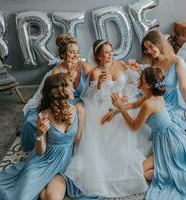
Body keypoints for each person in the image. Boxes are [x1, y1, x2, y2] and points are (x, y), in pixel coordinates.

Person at [107, 67, 186, 200]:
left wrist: (120, 108)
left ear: (147, 85)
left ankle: (173, 173)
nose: (137, 79)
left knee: (141, 173)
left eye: (140, 78)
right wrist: (117, 109)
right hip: (175, 136)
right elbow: (134, 105)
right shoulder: (152, 96)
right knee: (143, 171)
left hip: (171, 145)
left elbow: (134, 127)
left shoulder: (149, 104)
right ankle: (171, 169)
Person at [0, 73, 81, 200]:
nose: (74, 89)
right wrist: (40, 134)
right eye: (70, 86)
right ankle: (39, 187)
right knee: (20, 196)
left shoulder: (79, 110)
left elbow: (77, 139)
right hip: (42, 162)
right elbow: (41, 151)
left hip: (62, 167)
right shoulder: (44, 116)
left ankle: (41, 190)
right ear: (61, 92)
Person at [64, 39, 150, 198]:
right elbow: (93, 99)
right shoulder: (95, 72)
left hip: (122, 103)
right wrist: (98, 86)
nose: (110, 55)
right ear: (98, 56)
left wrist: (124, 97)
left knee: (132, 125)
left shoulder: (121, 65)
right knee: (108, 129)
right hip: (103, 106)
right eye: (106, 52)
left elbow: (131, 85)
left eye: (111, 51)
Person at [21, 34, 92, 152]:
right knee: (31, 122)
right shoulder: (56, 72)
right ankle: (49, 146)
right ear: (63, 54)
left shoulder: (84, 66)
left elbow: (96, 82)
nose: (76, 55)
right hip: (63, 102)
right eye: (72, 52)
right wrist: (67, 81)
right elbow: (55, 97)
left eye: (78, 52)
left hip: (81, 101)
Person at [130, 29, 186, 130]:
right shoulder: (154, 62)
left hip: (168, 103)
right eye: (147, 49)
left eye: (151, 46)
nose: (149, 51)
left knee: (150, 124)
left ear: (159, 43)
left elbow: (183, 87)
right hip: (153, 99)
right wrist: (139, 69)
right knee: (132, 111)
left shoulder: (177, 61)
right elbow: (151, 81)